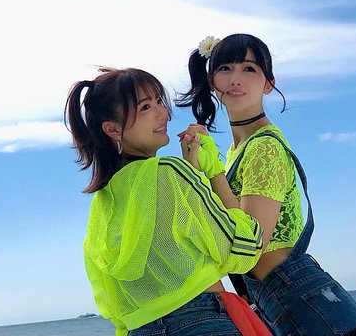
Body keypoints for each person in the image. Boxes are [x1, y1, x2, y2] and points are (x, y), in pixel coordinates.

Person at [177, 33, 356, 336]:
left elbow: (251, 245)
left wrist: (212, 174)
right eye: (225, 68)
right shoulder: (237, 151)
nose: (236, 78)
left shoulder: (264, 147)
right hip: (278, 300)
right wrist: (197, 170)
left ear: (268, 84)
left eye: (249, 69)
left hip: (303, 298)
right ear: (212, 81)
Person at [65, 67, 270, 336]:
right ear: (113, 129)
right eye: (146, 107)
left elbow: (118, 297)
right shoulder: (169, 172)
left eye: (159, 101)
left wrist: (191, 173)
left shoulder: (103, 203)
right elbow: (245, 247)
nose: (163, 113)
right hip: (201, 321)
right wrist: (213, 171)